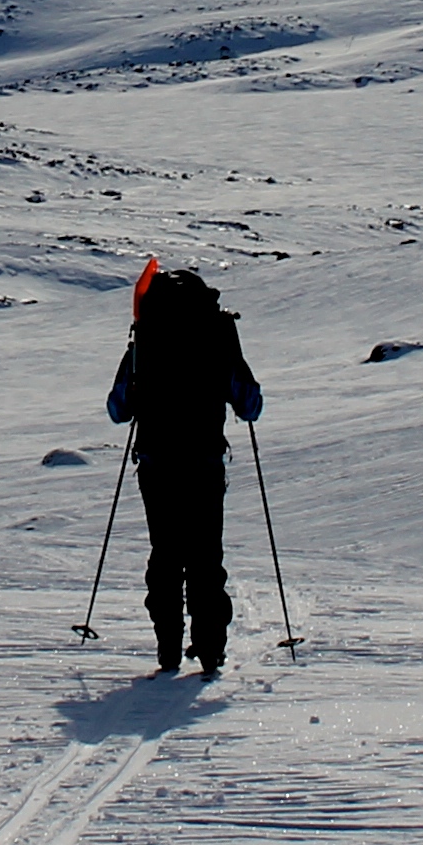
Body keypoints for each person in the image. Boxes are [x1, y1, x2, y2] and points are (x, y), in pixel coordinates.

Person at [106, 257, 261, 675]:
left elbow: (118, 409)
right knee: (206, 557)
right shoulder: (216, 336)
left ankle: (168, 648)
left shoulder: (146, 339)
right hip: (206, 462)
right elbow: (250, 404)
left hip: (156, 464)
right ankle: (210, 650)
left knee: (167, 553)